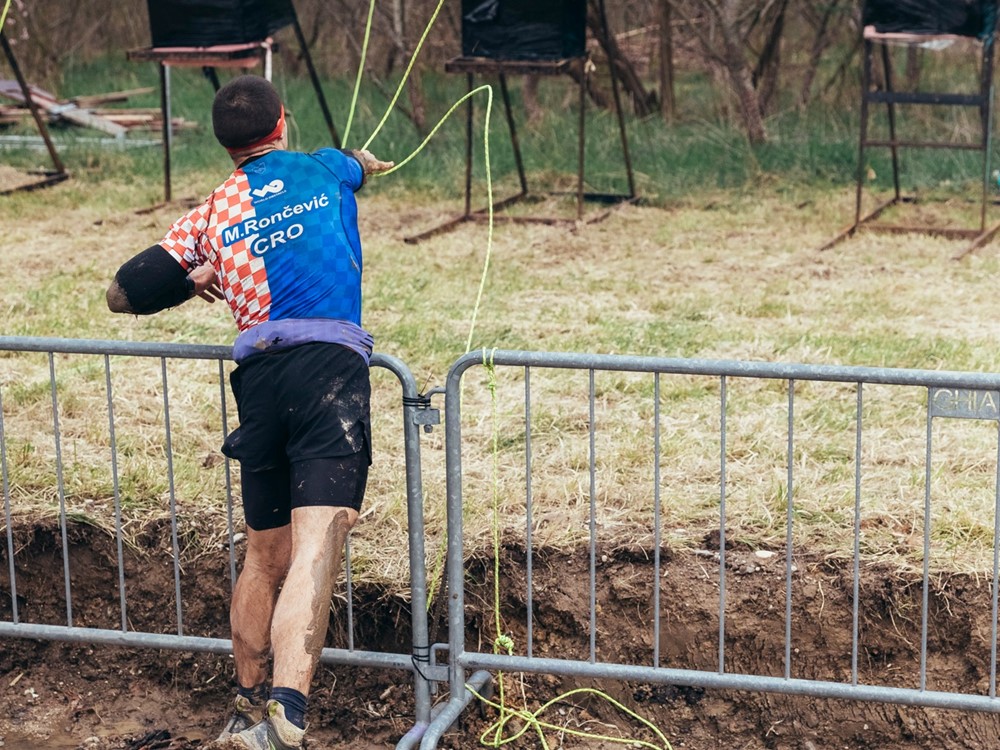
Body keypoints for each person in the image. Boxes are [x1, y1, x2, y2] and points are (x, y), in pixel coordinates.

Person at [106, 74, 394, 750]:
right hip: (328, 368)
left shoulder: (210, 212)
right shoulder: (323, 167)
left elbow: (121, 295)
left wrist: (191, 277)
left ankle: (243, 706)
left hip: (259, 377)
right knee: (317, 541)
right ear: (283, 123)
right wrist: (367, 165)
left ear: (225, 144)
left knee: (265, 555)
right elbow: (362, 164)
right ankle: (285, 714)